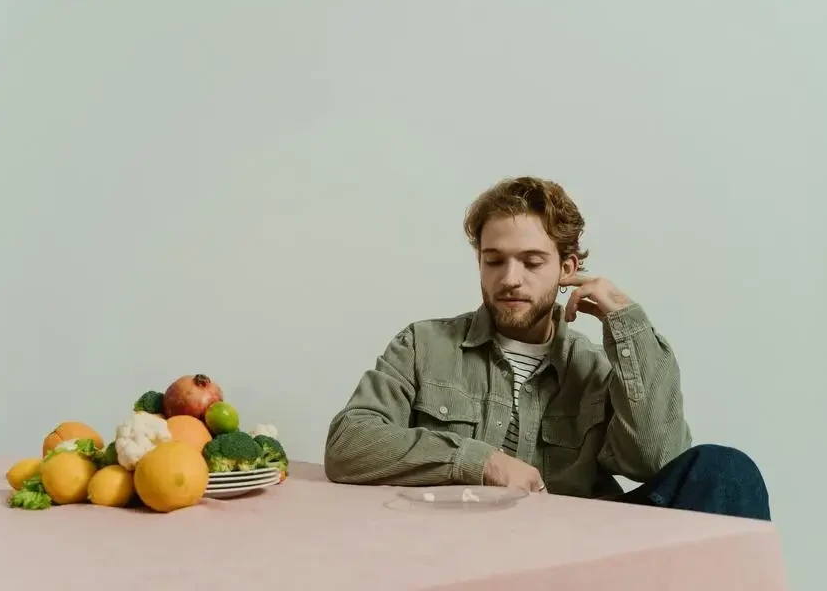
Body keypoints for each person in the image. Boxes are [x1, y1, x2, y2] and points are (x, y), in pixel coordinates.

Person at [323, 176, 770, 520]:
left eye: (532, 262)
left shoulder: (594, 370)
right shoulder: (423, 345)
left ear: (567, 269)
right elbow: (349, 444)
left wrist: (625, 320)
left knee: (726, 469)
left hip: (578, 554)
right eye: (493, 260)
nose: (510, 278)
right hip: (455, 545)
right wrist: (483, 463)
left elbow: (657, 459)